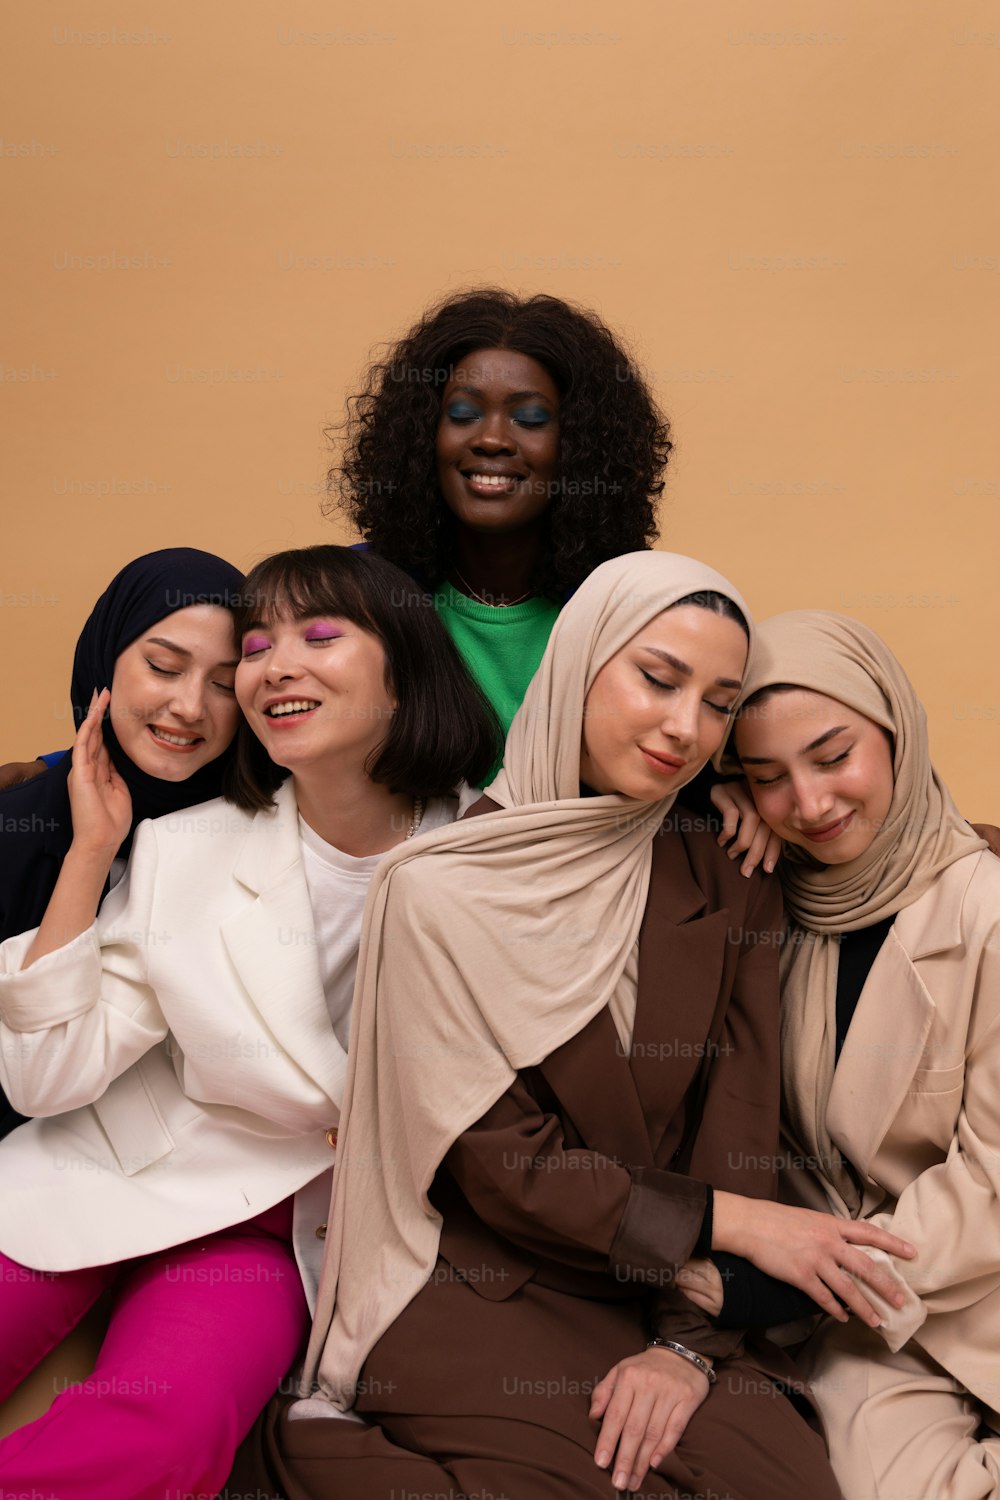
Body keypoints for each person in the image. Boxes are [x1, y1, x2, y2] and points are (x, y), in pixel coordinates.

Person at [256, 553, 911, 1500]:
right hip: (489, 1280)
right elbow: (498, 1162)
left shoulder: (726, 866)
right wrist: (737, 1226)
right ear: (577, 664)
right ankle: (308, 1442)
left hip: (674, 1290)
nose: (686, 727)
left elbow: (740, 1114)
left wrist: (689, 1344)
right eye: (658, 679)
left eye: (720, 703)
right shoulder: (437, 888)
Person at [0, 545, 498, 1500]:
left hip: (270, 1235)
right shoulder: (188, 846)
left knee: (163, 1440)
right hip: (107, 1162)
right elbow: (45, 1079)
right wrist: (91, 851)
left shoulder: (483, 854)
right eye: (260, 647)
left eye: (318, 637)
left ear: (405, 669)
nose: (276, 666)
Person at [679, 610, 1000, 1499]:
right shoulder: (763, 903)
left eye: (833, 756)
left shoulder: (988, 911)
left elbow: (994, 1184)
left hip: (958, 1271)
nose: (809, 805)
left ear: (897, 731)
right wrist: (702, 798)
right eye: (767, 777)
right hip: (874, 1317)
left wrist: (781, 1289)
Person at [330, 287, 671, 778]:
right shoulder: (352, 594)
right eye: (463, 414)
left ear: (579, 444)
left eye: (529, 418)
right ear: (423, 432)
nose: (491, 438)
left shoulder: (632, 607)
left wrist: (723, 789)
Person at [0, 546, 246, 1137]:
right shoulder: (13, 824)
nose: (189, 707)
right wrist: (92, 850)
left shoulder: (261, 835)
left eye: (225, 684)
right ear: (104, 662)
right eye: (163, 667)